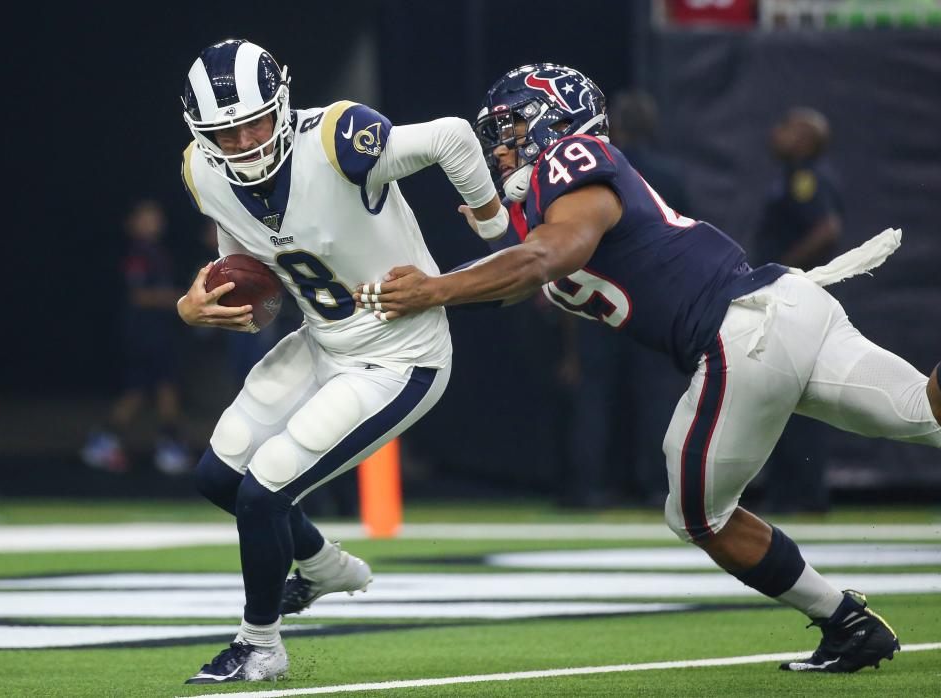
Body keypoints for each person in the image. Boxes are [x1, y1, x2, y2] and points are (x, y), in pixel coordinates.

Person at [357, 63, 939, 673]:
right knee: (925, 410)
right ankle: (848, 627)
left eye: (512, 127)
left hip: (740, 333)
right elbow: (526, 270)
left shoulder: (573, 159)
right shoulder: (550, 206)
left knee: (694, 514)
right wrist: (472, 261)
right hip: (786, 307)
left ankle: (846, 624)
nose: (500, 148)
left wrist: (438, 288)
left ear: (556, 120)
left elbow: (548, 257)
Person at [175, 40, 505, 684]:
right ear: (199, 132)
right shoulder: (201, 169)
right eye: (224, 130)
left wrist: (500, 237)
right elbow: (250, 277)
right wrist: (201, 303)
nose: (242, 141)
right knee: (218, 478)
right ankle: (324, 566)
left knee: (264, 488)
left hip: (398, 357)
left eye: (254, 121)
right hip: (321, 340)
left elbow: (453, 137)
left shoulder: (339, 139)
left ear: (283, 103)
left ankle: (261, 646)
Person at [757, 107, 844, 513]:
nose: (777, 132)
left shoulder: (806, 177)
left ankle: (803, 494)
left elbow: (827, 227)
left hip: (794, 300)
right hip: (790, 299)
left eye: (787, 126)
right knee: (786, 396)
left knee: (796, 396)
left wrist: (785, 268)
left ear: (807, 137)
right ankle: (790, 492)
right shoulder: (792, 177)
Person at [81, 200, 193, 475]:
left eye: (156, 216)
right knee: (148, 389)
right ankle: (159, 446)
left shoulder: (158, 252)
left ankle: (161, 445)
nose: (154, 221)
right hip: (144, 332)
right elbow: (138, 294)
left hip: (158, 331)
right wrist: (179, 298)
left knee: (157, 388)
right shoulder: (138, 253)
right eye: (146, 217)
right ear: (132, 223)